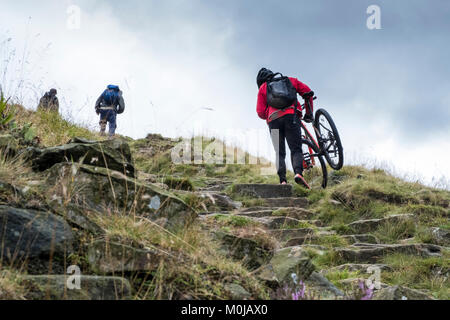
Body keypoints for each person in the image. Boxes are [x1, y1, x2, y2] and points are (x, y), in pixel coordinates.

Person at [256, 68, 315, 189]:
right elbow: (308, 92)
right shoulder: (290, 80)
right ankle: (298, 173)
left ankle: (282, 180)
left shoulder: (263, 88)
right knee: (295, 148)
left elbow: (260, 112)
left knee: (280, 152)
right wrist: (309, 113)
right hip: (291, 117)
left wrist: (270, 112)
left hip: (273, 121)